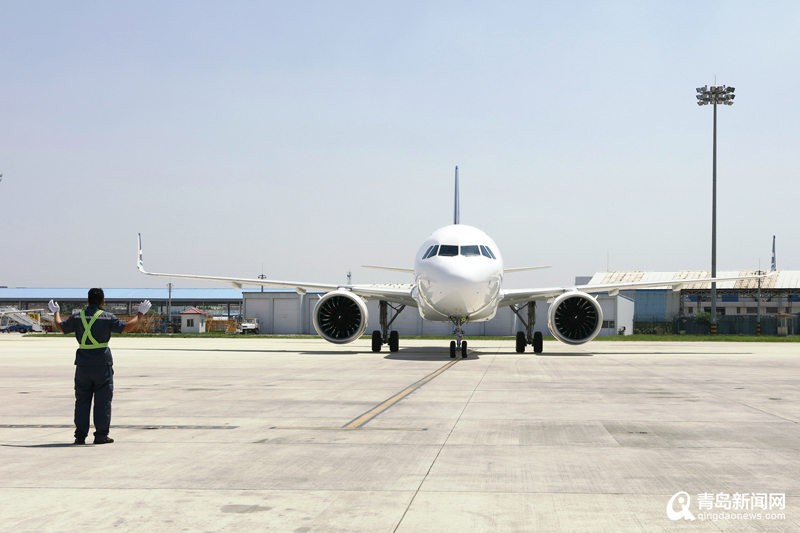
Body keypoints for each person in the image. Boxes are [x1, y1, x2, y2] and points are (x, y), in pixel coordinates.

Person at [48, 289, 151, 445]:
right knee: (103, 402)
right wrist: (140, 313)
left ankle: (80, 436)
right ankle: (101, 436)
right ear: (103, 302)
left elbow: (59, 327)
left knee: (82, 401)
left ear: (87, 301)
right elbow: (128, 327)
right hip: (102, 365)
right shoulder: (107, 317)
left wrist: (56, 312)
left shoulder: (77, 317)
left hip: (83, 365)